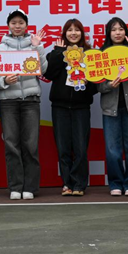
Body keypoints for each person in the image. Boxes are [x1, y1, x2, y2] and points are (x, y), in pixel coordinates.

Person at [0, 9, 47, 200]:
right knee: (11, 144)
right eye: (14, 23)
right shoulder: (1, 48)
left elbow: (44, 69)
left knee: (30, 145)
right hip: (8, 101)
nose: (17, 26)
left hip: (30, 101)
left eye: (21, 23)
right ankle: (15, 187)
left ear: (26, 25)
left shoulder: (34, 44)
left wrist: (37, 47)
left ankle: (30, 187)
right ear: (8, 25)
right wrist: (4, 81)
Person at [44, 19, 97, 196]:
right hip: (59, 106)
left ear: (82, 33)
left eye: (77, 30)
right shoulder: (57, 52)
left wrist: (87, 83)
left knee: (81, 147)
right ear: (64, 33)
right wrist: (59, 53)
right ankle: (67, 183)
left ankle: (79, 184)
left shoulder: (89, 54)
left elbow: (97, 83)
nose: (73, 33)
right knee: (63, 147)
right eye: (69, 30)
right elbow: (48, 74)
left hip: (81, 107)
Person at [98, 17, 128, 196]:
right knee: (113, 149)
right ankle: (116, 183)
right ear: (108, 33)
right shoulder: (101, 54)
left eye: (120, 29)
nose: (117, 33)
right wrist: (108, 85)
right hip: (110, 108)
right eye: (113, 30)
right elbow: (97, 85)